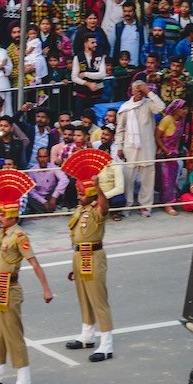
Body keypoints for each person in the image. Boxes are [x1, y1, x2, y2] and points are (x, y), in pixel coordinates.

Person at [0, 169, 54, 384]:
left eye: (3, 215)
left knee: (13, 334)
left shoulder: (19, 236)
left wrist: (46, 289)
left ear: (13, 216)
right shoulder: (5, 230)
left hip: (10, 288)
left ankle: (23, 379)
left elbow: (35, 263)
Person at [61, 152, 115, 363]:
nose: (79, 196)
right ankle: (87, 334)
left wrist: (98, 186)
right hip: (80, 255)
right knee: (84, 297)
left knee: (98, 299)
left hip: (94, 255)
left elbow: (104, 205)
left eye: (82, 193)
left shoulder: (97, 210)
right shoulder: (81, 209)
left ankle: (107, 343)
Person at [116, 80, 165, 217]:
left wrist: (149, 92)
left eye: (140, 89)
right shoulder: (125, 107)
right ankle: (127, 204)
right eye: (136, 89)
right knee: (128, 178)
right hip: (130, 148)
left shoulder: (149, 104)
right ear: (131, 91)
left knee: (148, 178)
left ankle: (145, 206)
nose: (138, 92)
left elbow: (161, 107)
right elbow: (120, 130)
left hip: (147, 147)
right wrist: (119, 146)